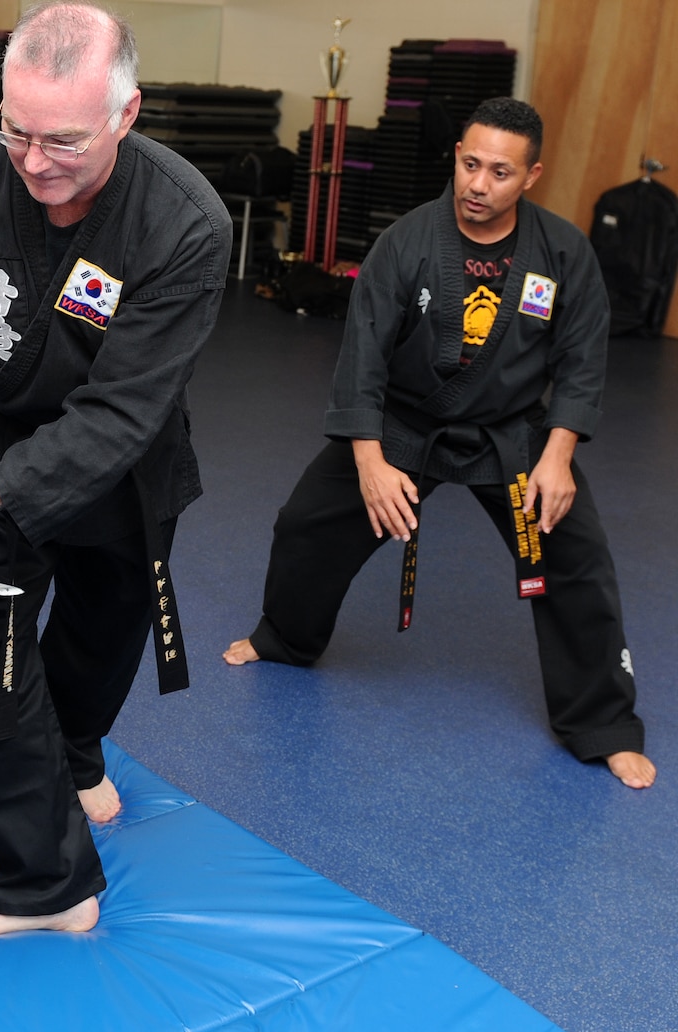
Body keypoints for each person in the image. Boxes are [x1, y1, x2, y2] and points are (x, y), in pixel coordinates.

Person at [0, 1, 231, 937]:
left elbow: (118, 411)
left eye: (63, 140)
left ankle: (73, 751)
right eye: (14, 130)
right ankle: (46, 882)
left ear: (125, 113)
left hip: (122, 453)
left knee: (105, 631)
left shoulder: (185, 221)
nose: (33, 161)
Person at [223, 97, 656, 791]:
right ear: (456, 156)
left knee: (575, 556)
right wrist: (369, 462)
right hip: (407, 425)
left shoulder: (562, 252)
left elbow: (582, 358)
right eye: (470, 164)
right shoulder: (407, 242)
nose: (478, 184)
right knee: (308, 523)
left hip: (512, 436)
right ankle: (285, 639)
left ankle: (602, 722)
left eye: (500, 172)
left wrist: (558, 455)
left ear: (532, 175)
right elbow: (363, 357)